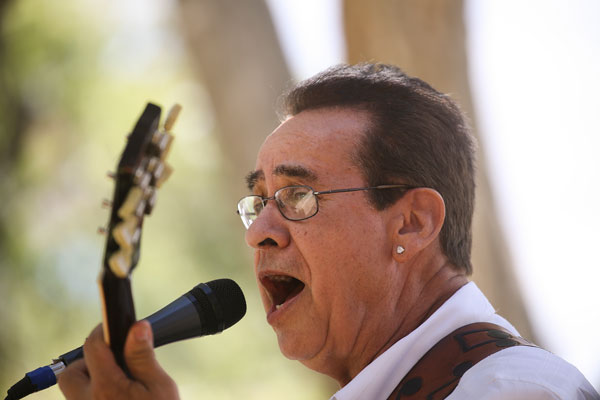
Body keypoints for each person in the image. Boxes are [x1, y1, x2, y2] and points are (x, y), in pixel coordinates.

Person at [58, 63, 599, 399]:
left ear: (411, 223)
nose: (259, 233)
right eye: (260, 200)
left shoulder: (507, 391)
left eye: (296, 196)